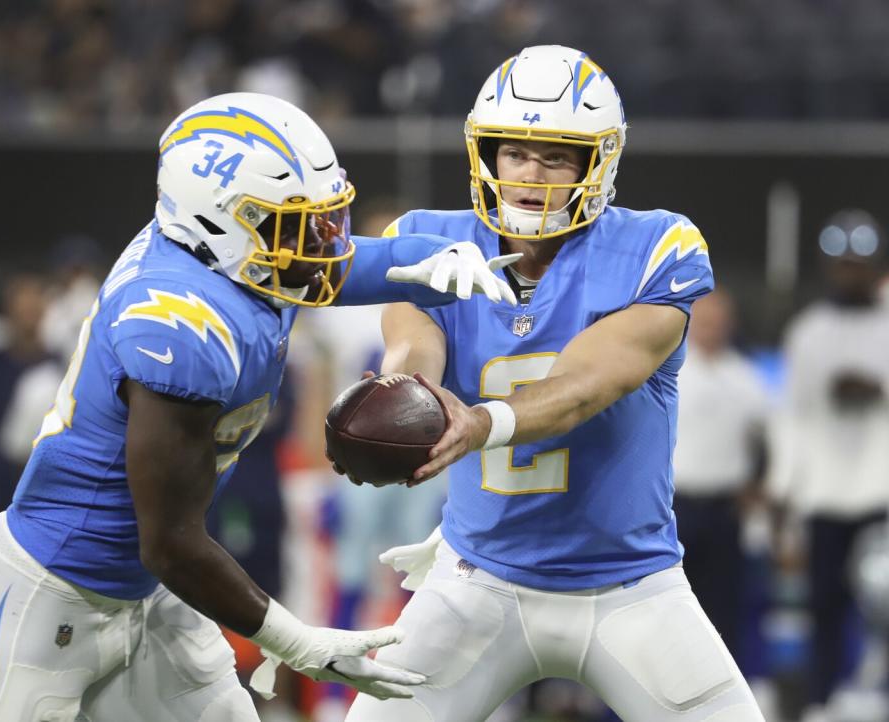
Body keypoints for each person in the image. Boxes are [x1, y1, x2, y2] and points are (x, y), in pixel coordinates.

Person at [0, 92, 519, 722]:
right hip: (41, 595)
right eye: (295, 222)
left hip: (148, 597)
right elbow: (170, 541)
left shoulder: (240, 258)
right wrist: (298, 641)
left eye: (320, 218)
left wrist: (437, 257)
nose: (319, 240)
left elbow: (347, 262)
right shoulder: (178, 321)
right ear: (219, 223)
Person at [341, 46, 765, 722]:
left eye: (556, 156)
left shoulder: (658, 248)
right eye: (515, 153)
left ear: (598, 163)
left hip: (631, 589)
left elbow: (583, 387)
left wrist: (474, 423)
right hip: (476, 580)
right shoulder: (427, 242)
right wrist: (407, 396)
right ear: (487, 156)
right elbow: (412, 345)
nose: (531, 174)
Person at [767, 209, 889, 722]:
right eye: (842, 265)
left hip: (882, 491)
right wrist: (781, 489)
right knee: (823, 608)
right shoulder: (808, 333)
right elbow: (790, 416)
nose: (850, 273)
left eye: (859, 264)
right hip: (824, 495)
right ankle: (820, 705)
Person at [672, 288, 768, 663]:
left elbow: (767, 440)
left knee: (725, 605)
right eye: (705, 319)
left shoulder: (746, 377)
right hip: (675, 505)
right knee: (668, 604)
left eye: (719, 319)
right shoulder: (670, 369)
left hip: (726, 507)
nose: (712, 327)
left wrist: (757, 487)